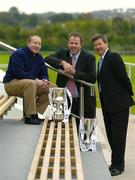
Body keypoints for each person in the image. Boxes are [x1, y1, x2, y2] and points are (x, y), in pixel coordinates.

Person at [92, 34, 134, 176]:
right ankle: (115, 163)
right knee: (111, 135)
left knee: (118, 136)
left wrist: (127, 95)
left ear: (106, 43)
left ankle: (117, 166)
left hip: (119, 104)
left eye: (100, 44)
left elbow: (124, 78)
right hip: (107, 104)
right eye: (95, 45)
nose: (98, 47)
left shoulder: (113, 57)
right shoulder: (100, 62)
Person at [45, 33, 96, 131]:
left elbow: (92, 78)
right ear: (68, 44)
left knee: (86, 133)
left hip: (83, 100)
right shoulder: (62, 53)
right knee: (63, 130)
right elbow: (47, 59)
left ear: (81, 45)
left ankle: (86, 146)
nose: (73, 45)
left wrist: (74, 73)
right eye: (71, 43)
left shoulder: (89, 57)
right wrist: (62, 63)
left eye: (76, 43)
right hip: (64, 100)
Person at [3, 35, 55, 125]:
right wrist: (35, 80)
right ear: (28, 43)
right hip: (11, 84)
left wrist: (44, 80)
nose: (37, 45)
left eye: (39, 44)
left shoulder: (39, 57)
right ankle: (29, 116)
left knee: (52, 87)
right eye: (35, 43)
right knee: (31, 83)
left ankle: (36, 113)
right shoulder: (18, 54)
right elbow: (18, 73)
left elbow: (44, 73)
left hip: (29, 84)